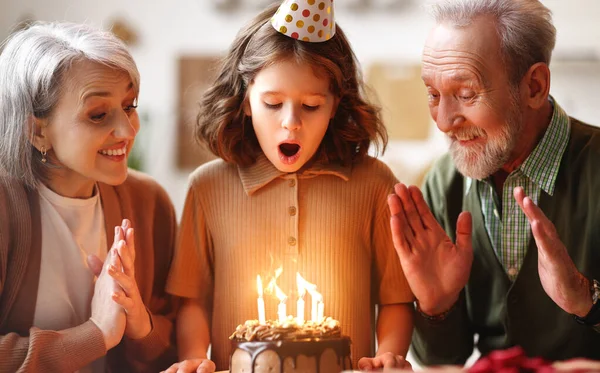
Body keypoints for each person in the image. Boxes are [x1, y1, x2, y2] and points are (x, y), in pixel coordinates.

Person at [163, 1, 414, 372]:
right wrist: (195, 359)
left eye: (311, 106)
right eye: (272, 103)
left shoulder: (376, 184)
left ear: (335, 105)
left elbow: (395, 298)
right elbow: (193, 302)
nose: (291, 123)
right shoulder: (207, 187)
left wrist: (387, 355)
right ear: (246, 100)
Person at [387, 0, 600, 366]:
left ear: (534, 85)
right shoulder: (443, 182)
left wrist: (587, 299)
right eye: (433, 95)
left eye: (466, 95)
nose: (443, 120)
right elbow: (444, 359)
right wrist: (437, 306)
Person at [0, 22, 178, 372]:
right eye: (98, 114)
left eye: (129, 105)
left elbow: (169, 353)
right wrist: (96, 334)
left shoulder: (149, 202)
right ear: (36, 130)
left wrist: (140, 324)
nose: (128, 130)